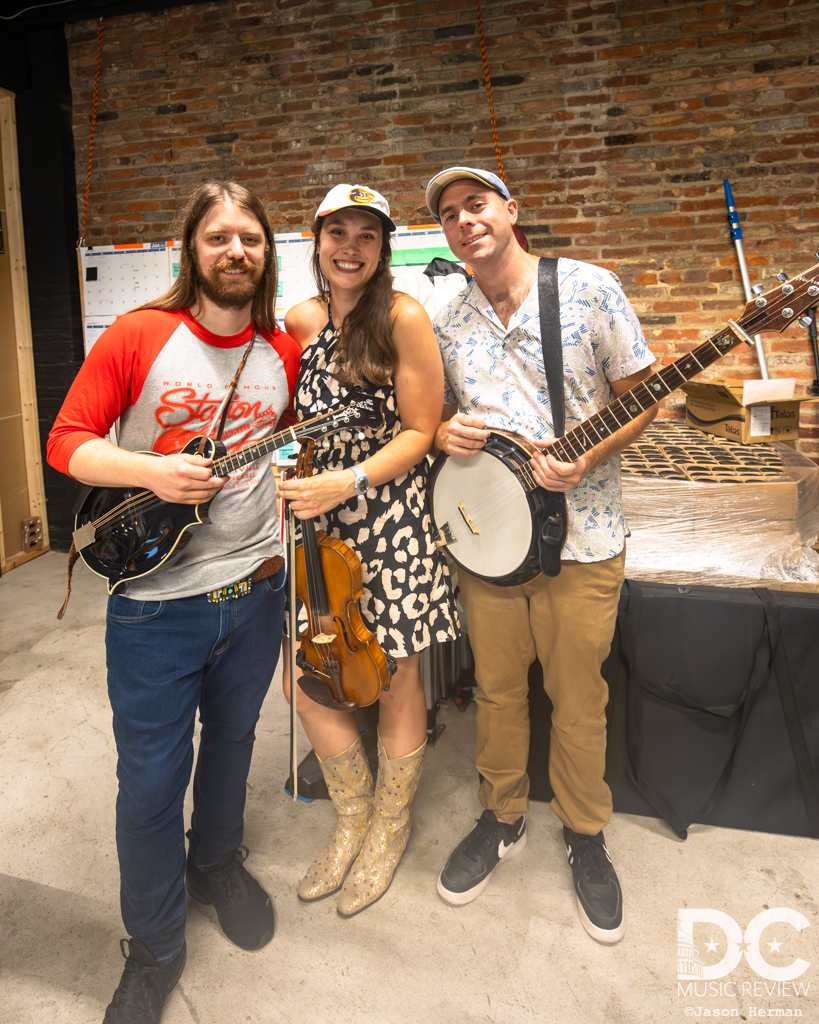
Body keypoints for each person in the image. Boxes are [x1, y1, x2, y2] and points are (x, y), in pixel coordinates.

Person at [47, 181, 301, 1023]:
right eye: (219, 237)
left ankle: (217, 862)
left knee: (233, 743)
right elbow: (67, 444)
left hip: (256, 589)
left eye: (251, 239)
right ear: (191, 250)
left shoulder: (280, 350)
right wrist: (151, 470)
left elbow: (278, 448)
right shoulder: (139, 335)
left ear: (266, 254)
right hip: (158, 605)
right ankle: (154, 945)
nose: (236, 251)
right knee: (150, 783)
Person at [425, 165, 659, 944]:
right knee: (494, 692)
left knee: (575, 696)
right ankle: (500, 818)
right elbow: (437, 417)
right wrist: (442, 432)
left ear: (510, 210)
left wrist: (587, 458)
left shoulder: (589, 289)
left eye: (476, 204)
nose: (464, 220)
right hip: (487, 540)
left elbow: (644, 396)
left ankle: (584, 833)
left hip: (584, 538)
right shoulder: (448, 315)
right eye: (450, 213)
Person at [277, 183, 458, 917]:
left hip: (387, 512)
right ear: (316, 240)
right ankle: (350, 816)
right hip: (317, 526)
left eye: (366, 236)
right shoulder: (299, 318)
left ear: (383, 250)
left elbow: (420, 429)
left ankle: (388, 824)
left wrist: (346, 479)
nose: (349, 247)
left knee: (393, 671)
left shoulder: (402, 319)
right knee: (309, 670)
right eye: (336, 233)